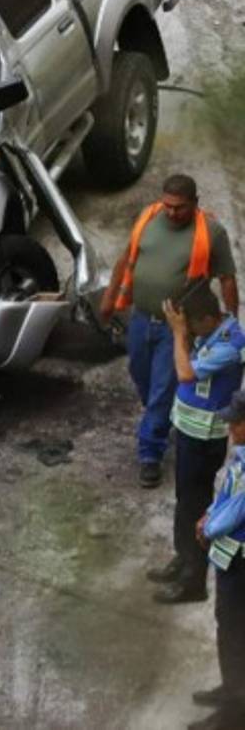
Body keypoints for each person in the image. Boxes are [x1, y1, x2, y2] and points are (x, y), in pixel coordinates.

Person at [101, 174, 239, 488]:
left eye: (179, 208)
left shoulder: (211, 233)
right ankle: (165, 418)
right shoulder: (149, 217)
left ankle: (150, 452)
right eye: (168, 206)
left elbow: (227, 279)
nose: (172, 213)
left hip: (177, 327)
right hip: (141, 318)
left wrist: (230, 323)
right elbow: (127, 259)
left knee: (162, 387)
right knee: (141, 375)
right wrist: (110, 300)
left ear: (195, 204)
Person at [148, 282, 245, 604]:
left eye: (188, 324)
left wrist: (178, 334)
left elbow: (186, 373)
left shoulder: (231, 343)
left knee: (195, 505)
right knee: (184, 502)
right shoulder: (209, 331)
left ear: (206, 319)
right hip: (188, 431)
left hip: (204, 438)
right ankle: (183, 557)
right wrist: (182, 328)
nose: (185, 330)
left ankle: (194, 582)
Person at [189, 392, 245, 729]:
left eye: (237, 423)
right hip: (232, 559)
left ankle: (233, 715)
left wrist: (208, 527)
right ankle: (231, 692)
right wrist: (210, 514)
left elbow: (236, 510)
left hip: (240, 562)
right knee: (230, 629)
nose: (231, 429)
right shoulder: (241, 456)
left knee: (235, 632)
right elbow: (227, 495)